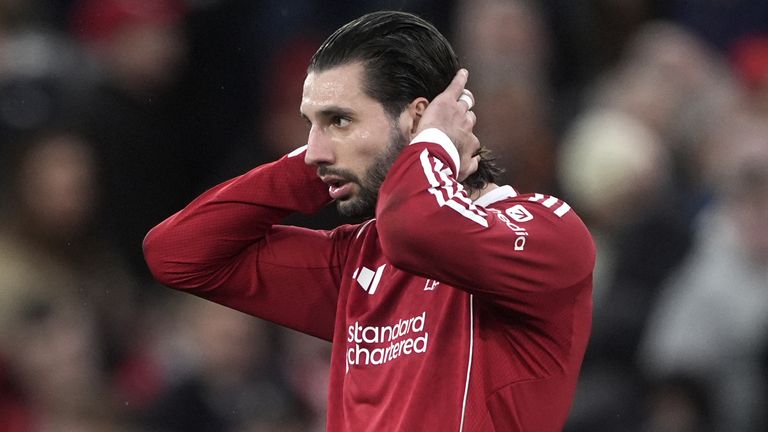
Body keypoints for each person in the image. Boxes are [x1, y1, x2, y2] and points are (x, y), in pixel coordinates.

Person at [144, 11, 595, 431]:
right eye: (310, 125)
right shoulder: (358, 263)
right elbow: (179, 254)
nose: (315, 149)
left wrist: (429, 144)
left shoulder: (546, 232)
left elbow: (418, 230)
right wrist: (321, 166)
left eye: (339, 120)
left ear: (418, 117)